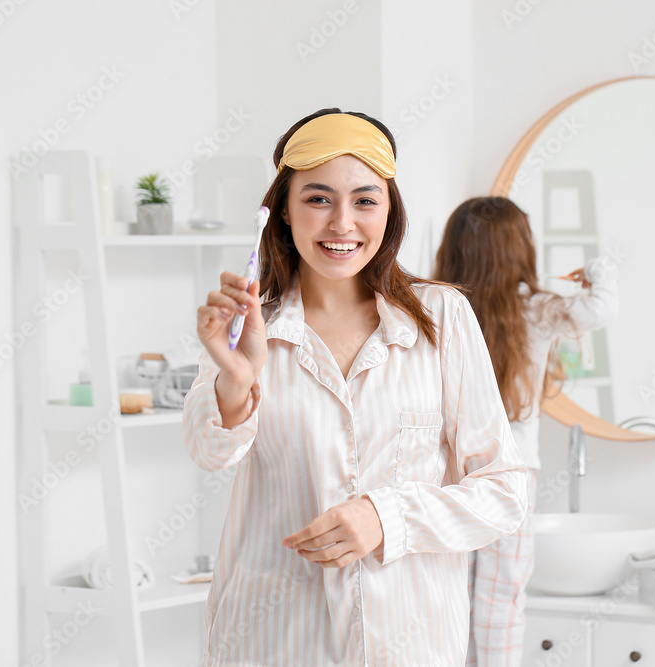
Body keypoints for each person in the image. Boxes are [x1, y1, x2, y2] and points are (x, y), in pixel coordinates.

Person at [183, 109, 528, 666]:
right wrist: (236, 380)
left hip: (410, 644)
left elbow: (506, 493)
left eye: (365, 200)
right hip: (275, 641)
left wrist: (387, 517)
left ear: (389, 213)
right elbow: (208, 452)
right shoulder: (247, 326)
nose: (342, 223)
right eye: (318, 199)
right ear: (284, 214)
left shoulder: (444, 318)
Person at [432, 196, 619, 666]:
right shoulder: (536, 308)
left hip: (445, 472)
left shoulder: (435, 306)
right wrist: (597, 270)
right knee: (502, 599)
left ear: (453, 248)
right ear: (520, 248)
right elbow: (603, 307)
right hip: (510, 473)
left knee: (443, 593)